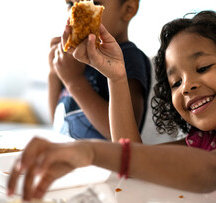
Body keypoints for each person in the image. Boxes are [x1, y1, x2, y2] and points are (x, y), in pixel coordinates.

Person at [8, 11, 216, 203]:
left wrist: (90, 151)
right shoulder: (205, 144)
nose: (186, 86)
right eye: (175, 81)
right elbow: (135, 159)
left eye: (203, 68)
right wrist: (116, 77)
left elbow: (214, 172)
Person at [48, 0, 151, 140]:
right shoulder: (72, 60)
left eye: (93, 3)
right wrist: (54, 73)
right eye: (70, 4)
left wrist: (74, 81)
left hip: (101, 160)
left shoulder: (128, 57)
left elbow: (126, 137)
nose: (75, 14)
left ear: (128, 9)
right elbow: (57, 120)